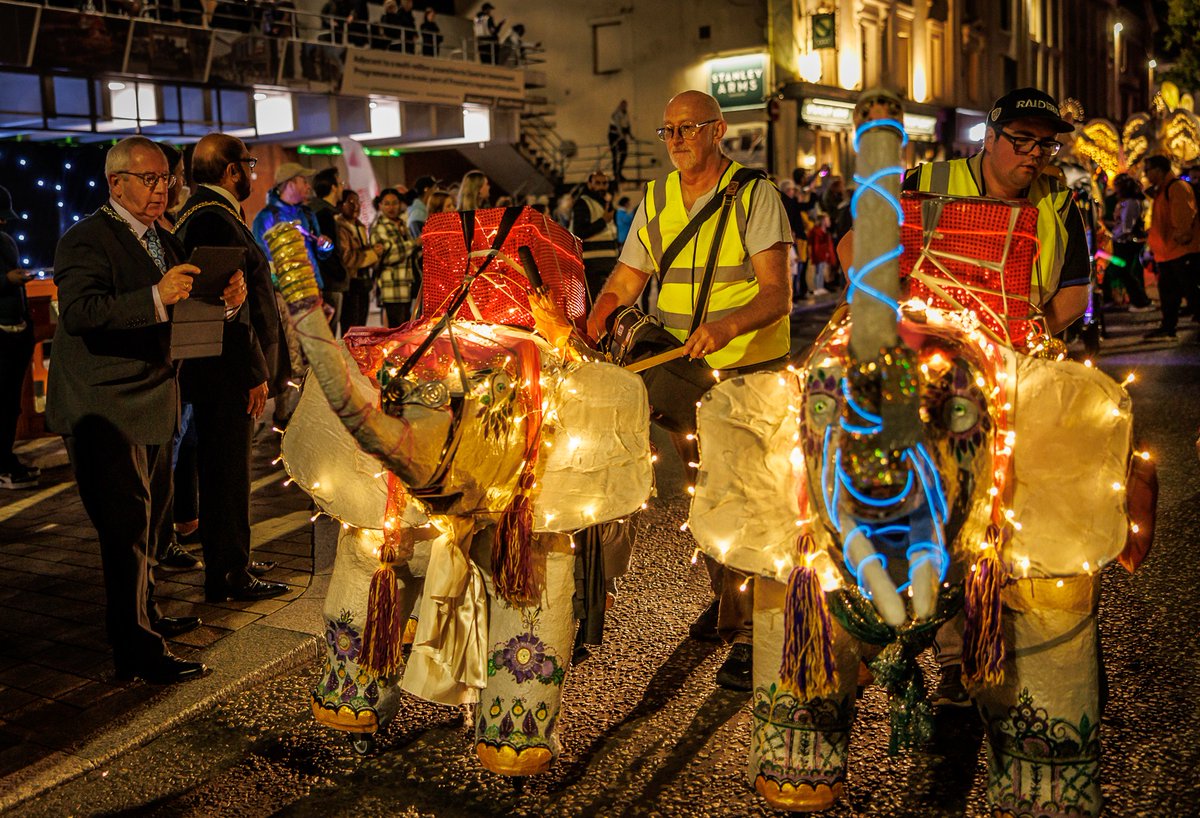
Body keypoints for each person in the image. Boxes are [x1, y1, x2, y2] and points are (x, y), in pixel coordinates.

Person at [586, 90, 791, 691]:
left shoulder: (755, 195)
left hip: (749, 371)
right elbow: (626, 279)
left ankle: (754, 630)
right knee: (705, 495)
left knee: (749, 498)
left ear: (718, 131)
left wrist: (726, 326)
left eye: (688, 128)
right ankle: (729, 603)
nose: (676, 139)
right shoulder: (655, 198)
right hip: (682, 372)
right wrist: (596, 315)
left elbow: (777, 293)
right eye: (667, 129)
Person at [46, 137, 245, 684]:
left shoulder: (164, 237)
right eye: (150, 179)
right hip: (104, 405)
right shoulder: (85, 240)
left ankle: (147, 614)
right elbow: (83, 314)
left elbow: (184, 312)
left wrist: (225, 304)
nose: (164, 189)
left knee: (152, 523)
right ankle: (135, 650)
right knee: (125, 528)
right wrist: (156, 296)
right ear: (117, 183)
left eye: (168, 178)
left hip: (155, 396)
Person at [173, 132, 292, 603]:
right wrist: (255, 373)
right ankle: (229, 573)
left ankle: (231, 558)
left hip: (219, 370)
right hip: (226, 372)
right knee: (228, 472)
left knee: (224, 469)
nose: (253, 171)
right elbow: (232, 309)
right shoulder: (213, 220)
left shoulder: (208, 214)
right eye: (249, 163)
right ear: (230, 170)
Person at [251, 162, 328, 428]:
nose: (308, 186)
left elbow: (318, 253)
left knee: (318, 352)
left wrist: (325, 247)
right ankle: (286, 414)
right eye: (304, 181)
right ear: (289, 184)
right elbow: (263, 261)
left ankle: (311, 412)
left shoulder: (307, 215)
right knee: (291, 353)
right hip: (285, 297)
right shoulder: (266, 217)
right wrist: (284, 287)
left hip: (313, 293)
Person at [0, 186, 37, 490]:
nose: (3, 222)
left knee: (11, 403)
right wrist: (6, 280)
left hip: (16, 331)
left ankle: (6, 457)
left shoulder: (7, 241)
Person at [1142, 154, 1200, 342]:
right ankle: (1168, 327)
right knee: (1170, 294)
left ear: (1159, 170)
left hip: (1180, 251)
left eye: (1148, 170)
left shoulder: (1176, 188)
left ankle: (1170, 327)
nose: (1146, 174)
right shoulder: (1163, 190)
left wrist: (1178, 238)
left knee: (1192, 292)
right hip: (1167, 253)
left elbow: (1182, 220)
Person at [335, 188, 383, 334]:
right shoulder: (339, 227)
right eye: (350, 202)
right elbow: (348, 258)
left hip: (363, 283)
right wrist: (372, 254)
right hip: (351, 284)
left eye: (358, 202)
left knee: (362, 326)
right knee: (351, 328)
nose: (356, 206)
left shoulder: (359, 225)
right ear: (340, 205)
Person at [1105, 173, 1154, 312]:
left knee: (1124, 272)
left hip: (1125, 242)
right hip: (1121, 241)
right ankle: (1138, 299)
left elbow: (1126, 226)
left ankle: (1140, 301)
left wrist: (1114, 234)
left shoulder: (1131, 203)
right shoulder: (1125, 202)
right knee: (1123, 272)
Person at [310, 167, 349, 335]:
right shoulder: (324, 214)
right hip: (330, 283)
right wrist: (339, 273)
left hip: (327, 281)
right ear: (333, 187)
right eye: (340, 184)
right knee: (329, 334)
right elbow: (326, 250)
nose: (342, 188)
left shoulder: (317, 211)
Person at [371, 187, 416, 326]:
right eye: (387, 203)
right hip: (391, 288)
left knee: (406, 331)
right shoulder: (379, 227)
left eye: (395, 203)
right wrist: (414, 243)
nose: (391, 207)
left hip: (407, 285)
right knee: (395, 332)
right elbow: (388, 256)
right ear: (380, 206)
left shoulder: (402, 225)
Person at [571, 170, 618, 301]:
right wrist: (603, 221)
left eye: (604, 183)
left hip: (608, 261)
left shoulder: (605, 203)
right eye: (597, 183)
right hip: (593, 264)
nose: (602, 186)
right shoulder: (583, 203)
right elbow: (579, 233)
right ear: (589, 184)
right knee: (595, 304)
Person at [608, 99, 633, 182]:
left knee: (624, 153)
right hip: (614, 135)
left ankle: (619, 172)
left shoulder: (626, 114)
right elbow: (618, 126)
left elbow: (627, 125)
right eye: (622, 105)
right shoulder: (616, 114)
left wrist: (630, 135)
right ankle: (616, 174)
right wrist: (621, 134)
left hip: (621, 136)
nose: (624, 107)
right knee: (615, 155)